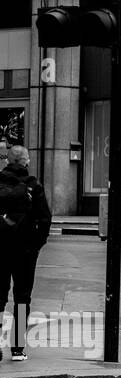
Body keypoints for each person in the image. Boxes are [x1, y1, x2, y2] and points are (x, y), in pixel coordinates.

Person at [0, 145, 52, 361]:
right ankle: (18, 349)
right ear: (26, 162)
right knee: (22, 298)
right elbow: (45, 218)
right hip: (25, 251)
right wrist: (36, 245)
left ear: (7, 161)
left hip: (0, 248)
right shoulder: (33, 186)